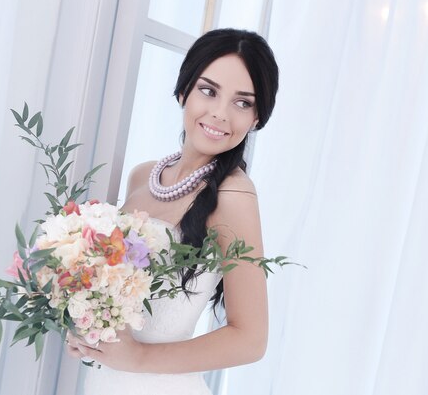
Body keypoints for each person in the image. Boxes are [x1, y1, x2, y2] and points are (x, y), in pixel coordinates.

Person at [66, 28, 279, 395]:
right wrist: (88, 328)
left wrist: (137, 360)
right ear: (184, 91)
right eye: (208, 91)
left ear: (257, 118)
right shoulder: (141, 176)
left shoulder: (233, 195)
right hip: (104, 382)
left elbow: (251, 340)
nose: (220, 114)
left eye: (242, 102)